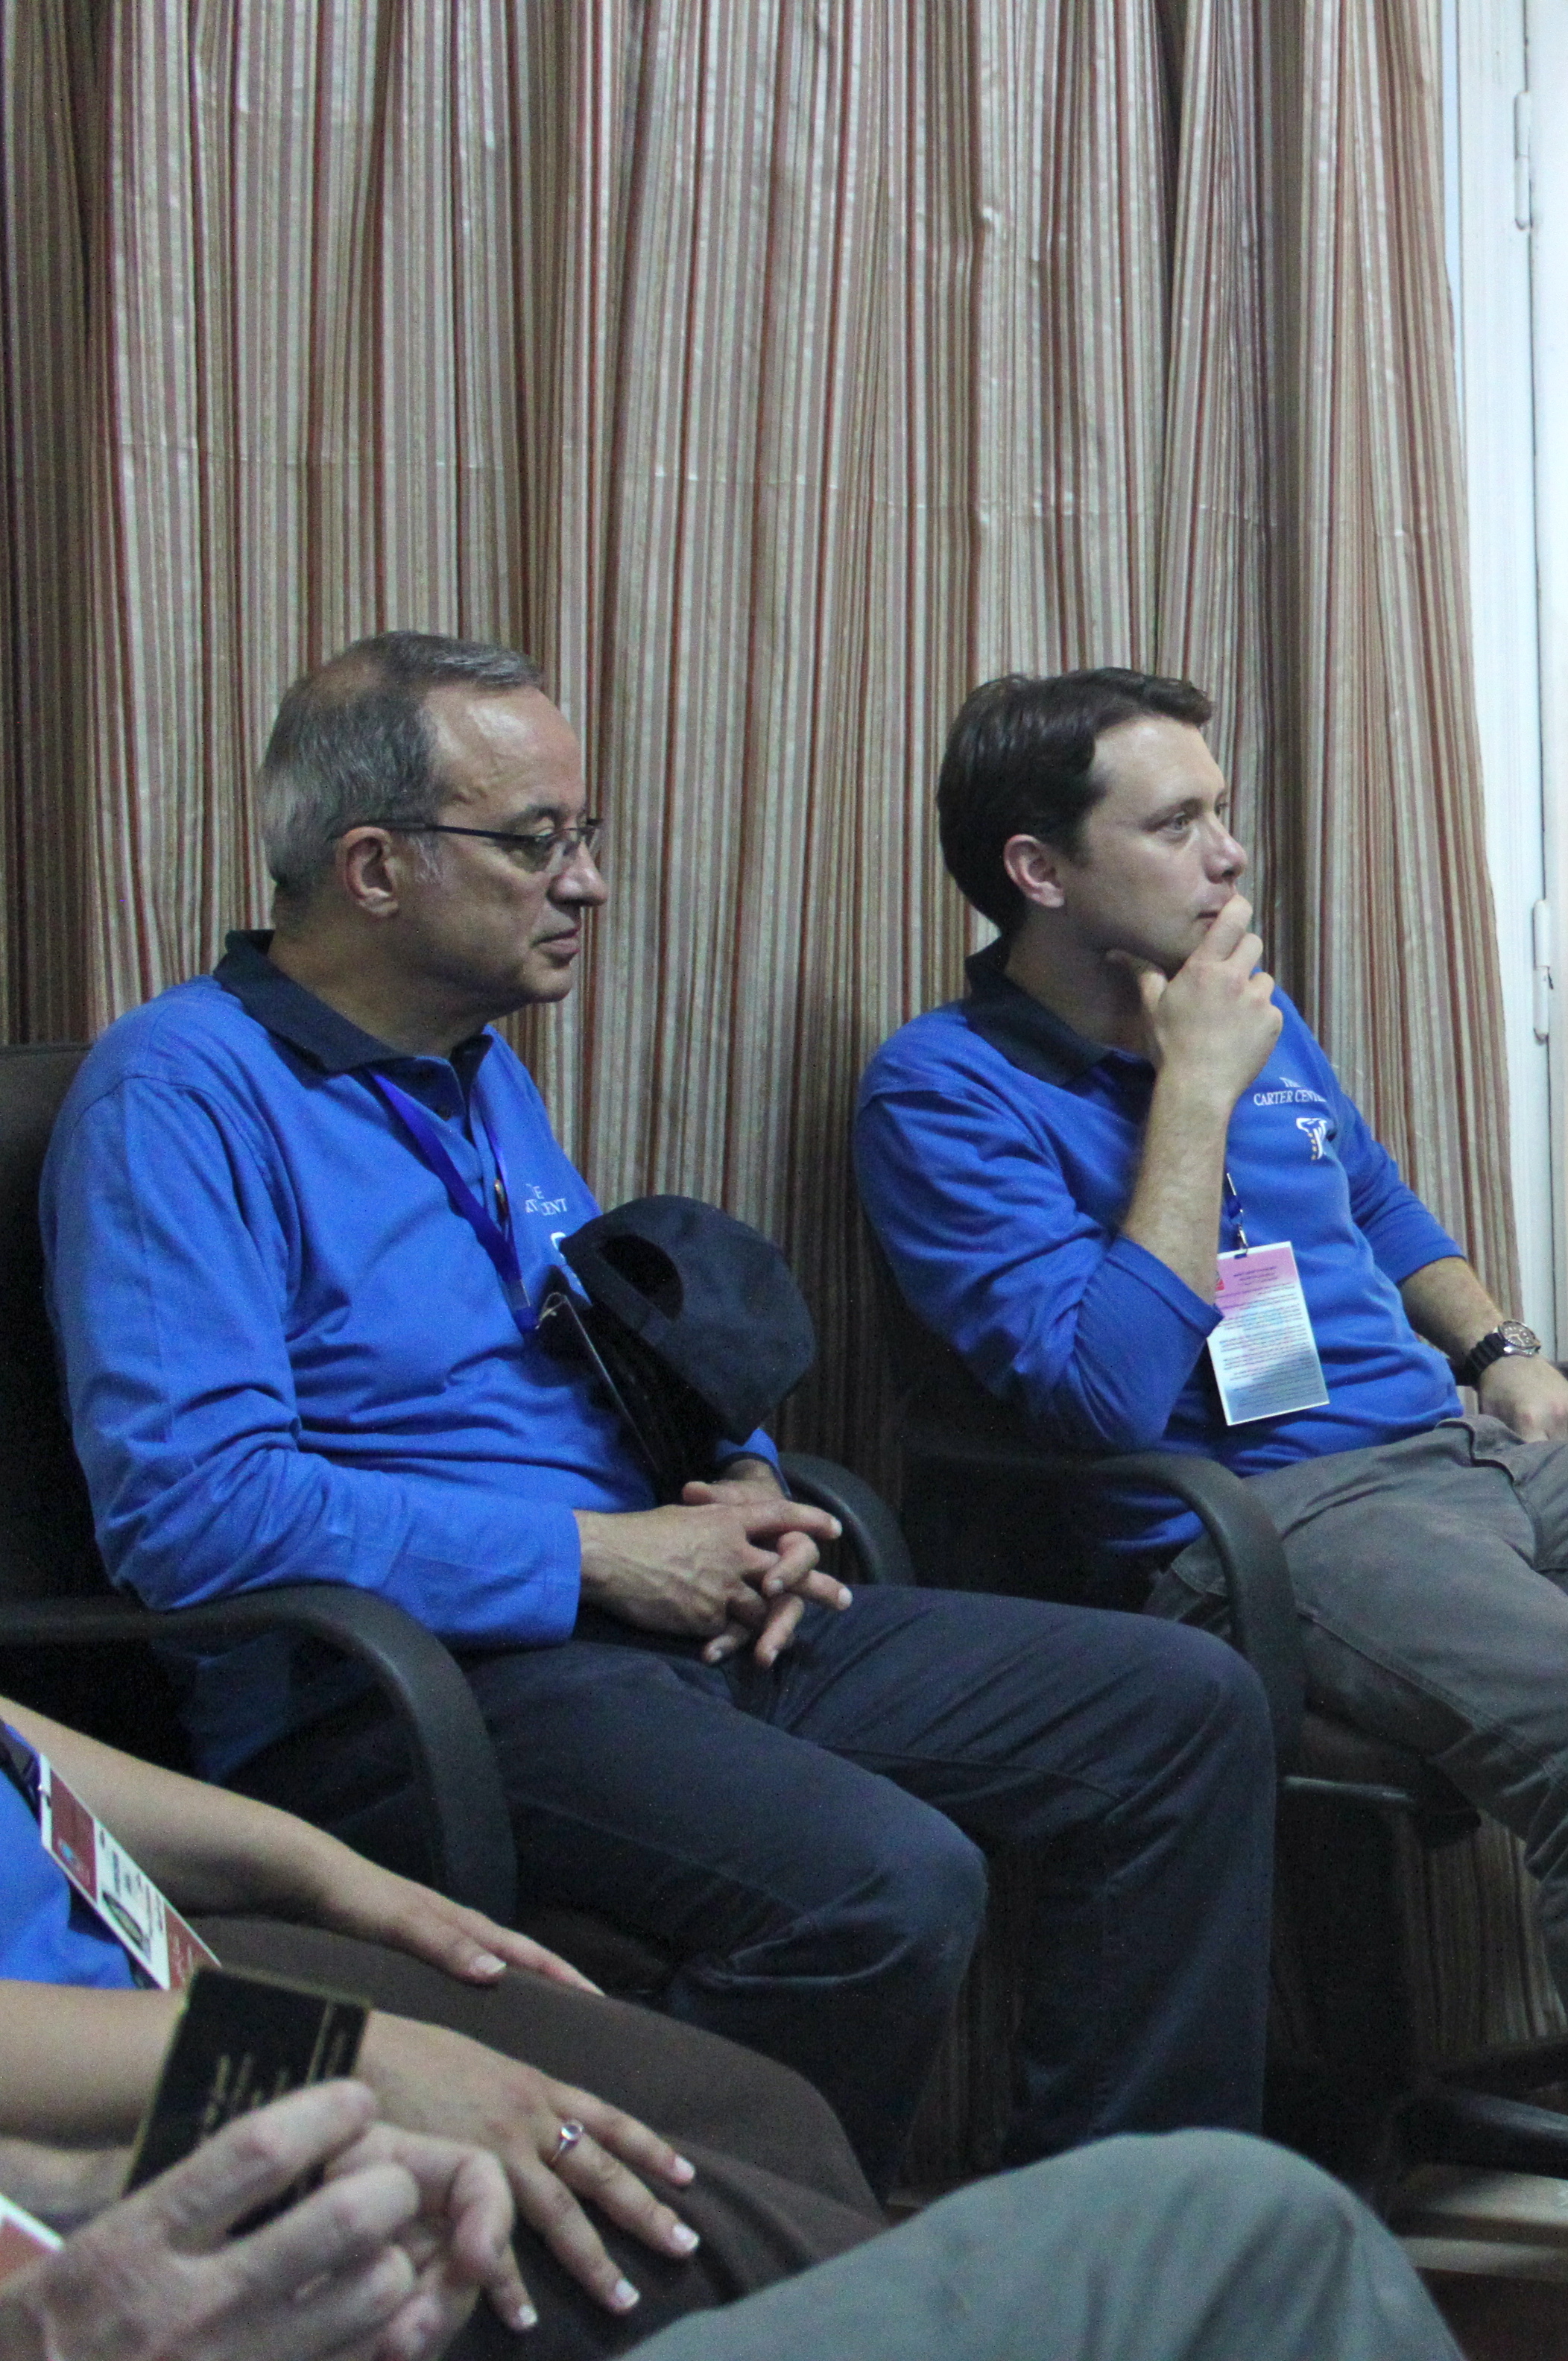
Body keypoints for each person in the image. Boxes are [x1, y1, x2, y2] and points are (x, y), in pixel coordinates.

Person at [44, 634, 1277, 2199]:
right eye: (534, 843)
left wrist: (736, 1488)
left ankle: (1120, 2242)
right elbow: (196, 1517)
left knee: (1178, 1706)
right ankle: (716, 2269)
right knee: (886, 1887)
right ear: (372, 867)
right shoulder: (180, 1096)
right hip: (404, 1687)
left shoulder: (470, 1073)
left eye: (587, 837)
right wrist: (595, 1557)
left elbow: (604, 1350)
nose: (586, 884)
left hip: (634, 1623)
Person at [853, 669, 1568, 2361]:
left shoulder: (1246, 1005)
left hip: (1463, 1454)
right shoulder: (943, 1091)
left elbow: (1375, 1192)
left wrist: (1501, 1347)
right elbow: (1099, 1396)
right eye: (1176, 821)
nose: (1228, 853)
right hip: (1271, 1517)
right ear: (1039, 869)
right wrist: (1184, 1092)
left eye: (1221, 806)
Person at [0, 1690, 883, 2355]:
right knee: (760, 2263)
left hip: (130, 1947)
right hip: (50, 2113)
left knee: (770, 2117)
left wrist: (326, 1873)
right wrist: (341, 2054)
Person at [0, 2087, 1462, 2361]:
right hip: (480, 1641)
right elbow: (1090, 1382)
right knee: (1244, 2229)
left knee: (759, 2126)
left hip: (682, 1611)